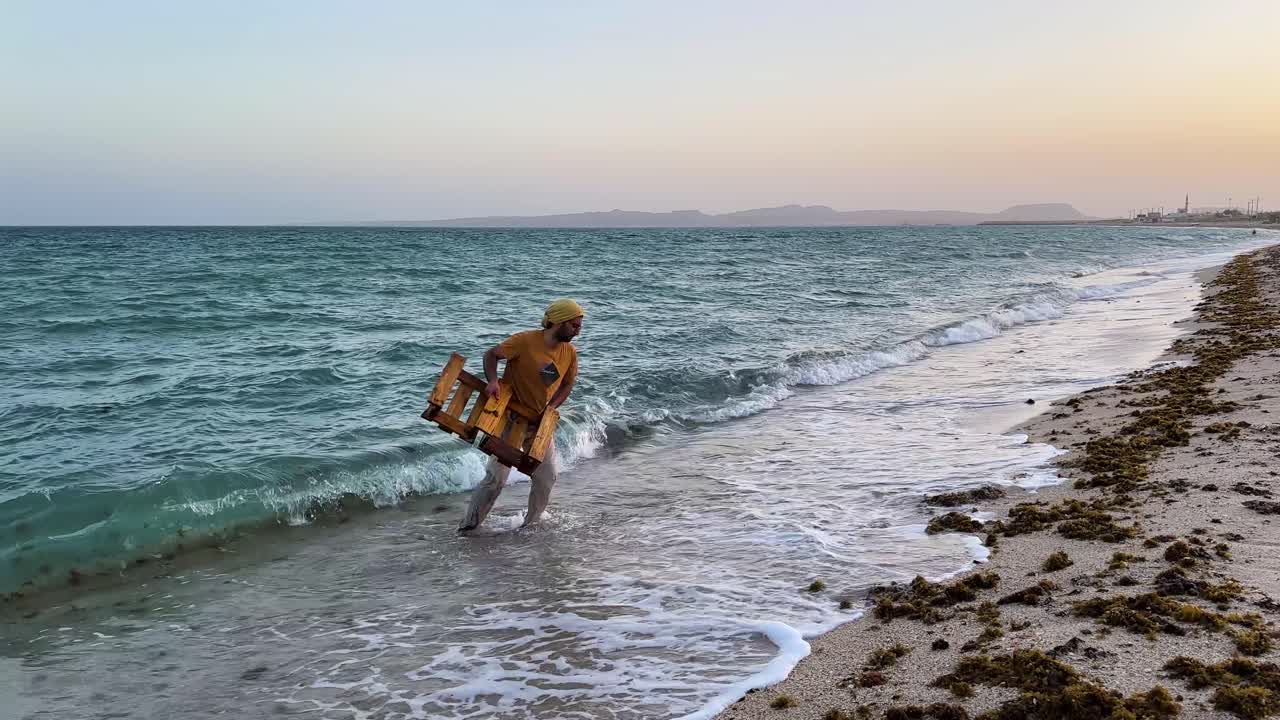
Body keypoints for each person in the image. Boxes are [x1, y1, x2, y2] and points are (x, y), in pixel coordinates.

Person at [457, 299, 583, 533]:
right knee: (496, 479)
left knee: (546, 477)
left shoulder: (570, 353)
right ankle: (468, 528)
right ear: (558, 322)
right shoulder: (525, 341)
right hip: (509, 420)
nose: (578, 330)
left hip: (538, 424)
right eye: (574, 325)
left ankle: (531, 527)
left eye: (579, 325)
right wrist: (493, 381)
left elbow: (567, 384)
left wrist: (551, 407)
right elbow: (491, 354)